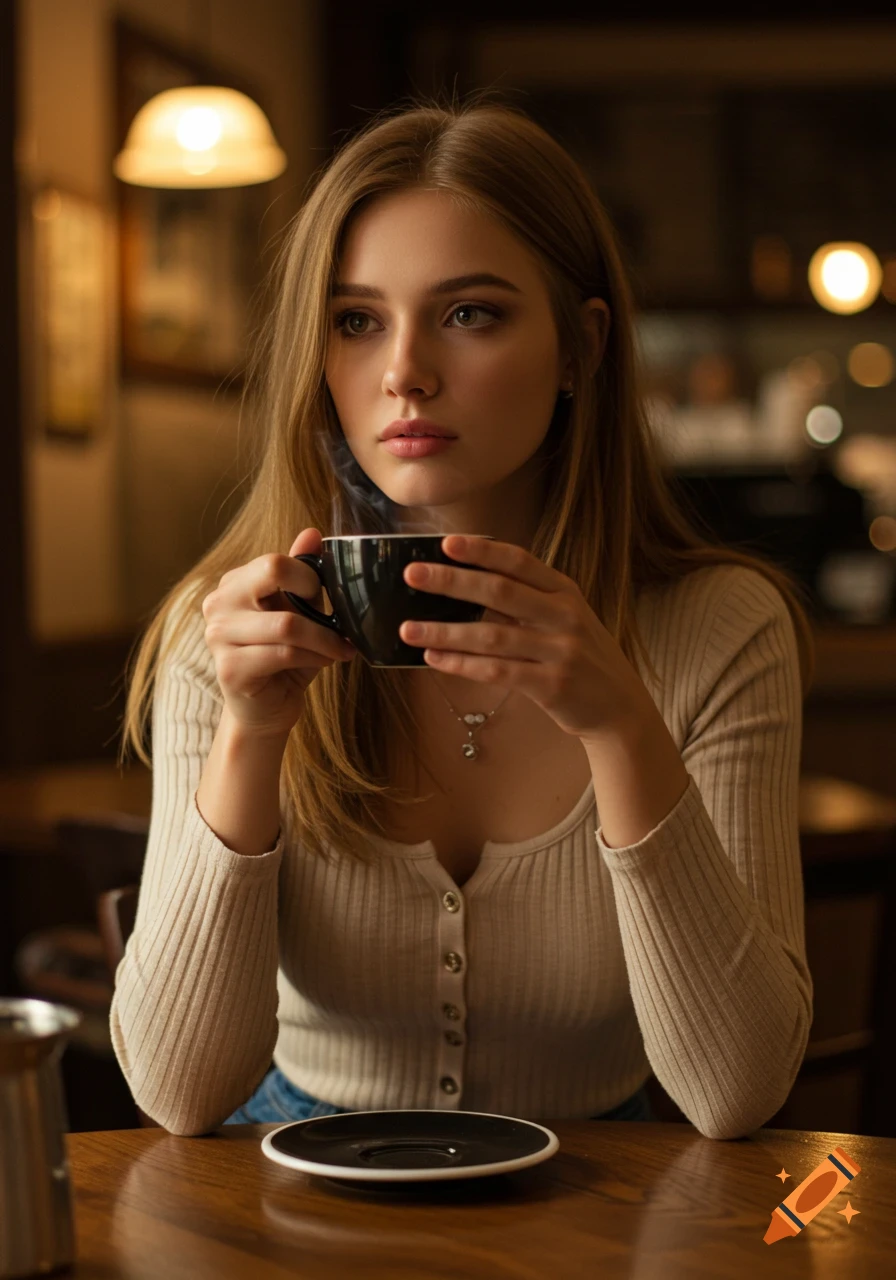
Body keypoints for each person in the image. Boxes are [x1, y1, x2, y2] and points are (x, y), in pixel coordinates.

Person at [110, 90, 815, 1140]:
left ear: (580, 347)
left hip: (596, 1203)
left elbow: (734, 1093)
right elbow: (175, 1092)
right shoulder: (229, 630)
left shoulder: (717, 628)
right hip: (285, 1200)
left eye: (467, 312)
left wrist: (619, 722)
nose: (403, 372)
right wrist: (254, 732)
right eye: (355, 321)